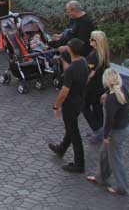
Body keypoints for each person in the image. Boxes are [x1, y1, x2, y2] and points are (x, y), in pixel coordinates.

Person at [86, 69, 129, 195]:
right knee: (104, 153)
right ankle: (101, 177)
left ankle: (122, 187)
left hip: (115, 132)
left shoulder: (111, 99)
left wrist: (106, 136)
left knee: (115, 160)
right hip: (124, 128)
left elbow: (110, 120)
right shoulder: (123, 89)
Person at [49, 37, 88, 173]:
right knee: (71, 127)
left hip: (70, 104)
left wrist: (56, 105)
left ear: (71, 50)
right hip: (80, 100)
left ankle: (79, 163)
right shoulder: (83, 62)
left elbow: (65, 90)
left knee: (73, 131)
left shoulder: (71, 70)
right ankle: (62, 148)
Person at [83, 30, 111, 143]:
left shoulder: (94, 56)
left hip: (92, 88)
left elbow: (90, 75)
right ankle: (100, 132)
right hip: (101, 86)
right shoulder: (103, 54)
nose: (89, 40)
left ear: (97, 41)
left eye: (92, 39)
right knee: (97, 108)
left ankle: (97, 129)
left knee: (84, 106)